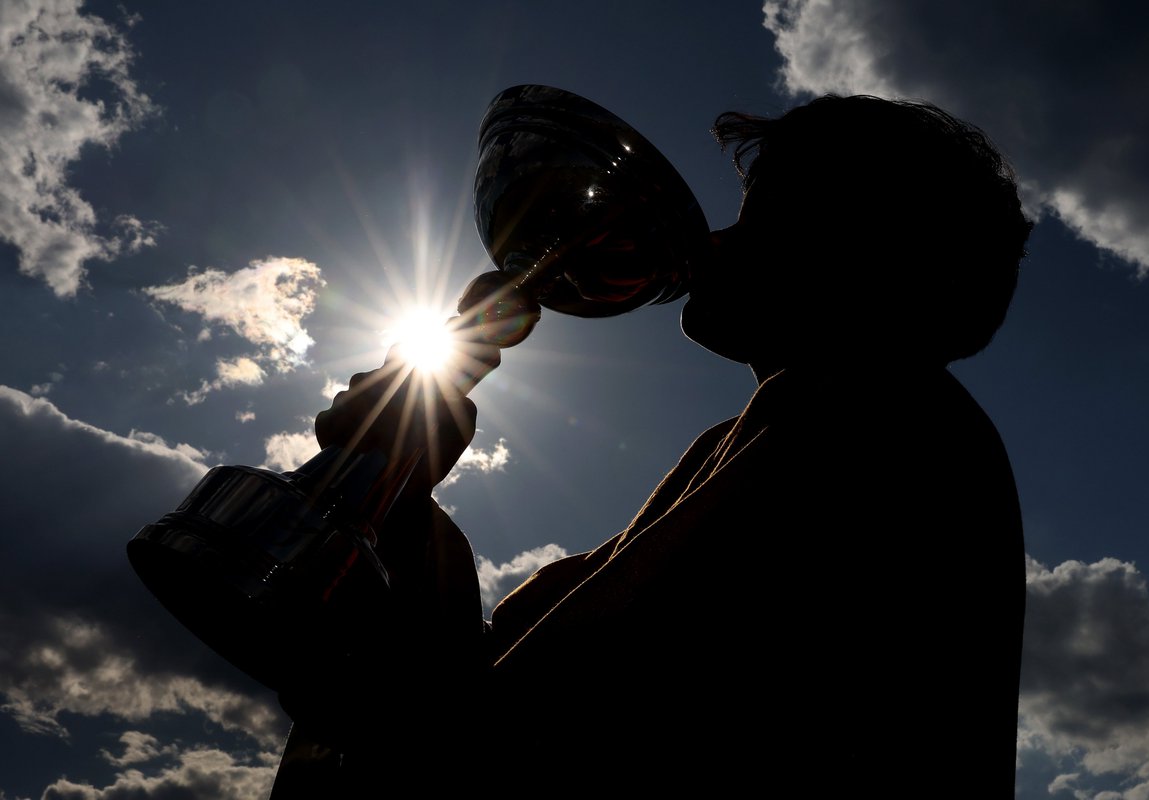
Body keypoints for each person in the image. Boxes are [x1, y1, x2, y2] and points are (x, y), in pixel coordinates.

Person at [270, 94, 1033, 796]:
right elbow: (492, 686)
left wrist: (394, 521)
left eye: (762, 221)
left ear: (867, 261)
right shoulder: (768, 435)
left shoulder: (875, 420)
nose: (715, 243)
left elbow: (515, 742)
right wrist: (399, 499)